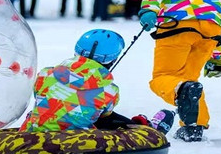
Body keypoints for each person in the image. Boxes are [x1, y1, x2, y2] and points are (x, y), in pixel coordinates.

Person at [137, 0, 221, 142]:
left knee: (163, 77)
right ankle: (193, 127)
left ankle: (184, 100)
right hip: (211, 31)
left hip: (178, 25)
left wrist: (149, 10)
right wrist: (218, 57)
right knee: (189, 81)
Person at [20, 29, 175, 133]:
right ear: (112, 60)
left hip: (34, 133)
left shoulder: (45, 74)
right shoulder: (109, 90)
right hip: (75, 140)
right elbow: (104, 119)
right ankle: (146, 129)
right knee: (104, 119)